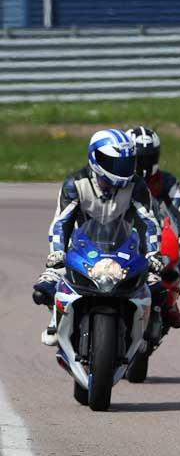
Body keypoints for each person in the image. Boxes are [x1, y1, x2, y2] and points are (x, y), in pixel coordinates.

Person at [32, 129, 162, 343]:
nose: (124, 169)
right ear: (96, 159)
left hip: (124, 247)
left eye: (128, 162)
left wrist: (153, 255)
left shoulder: (136, 185)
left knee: (156, 287)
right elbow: (61, 222)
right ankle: (57, 321)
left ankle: (146, 327)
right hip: (82, 247)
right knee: (45, 287)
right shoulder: (75, 184)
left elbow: (148, 222)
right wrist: (57, 254)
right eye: (116, 164)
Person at [126, 126, 180, 329]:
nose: (143, 164)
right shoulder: (117, 178)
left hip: (156, 233)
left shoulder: (166, 180)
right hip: (120, 233)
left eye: (148, 158)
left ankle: (168, 306)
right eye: (139, 159)